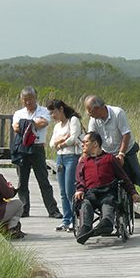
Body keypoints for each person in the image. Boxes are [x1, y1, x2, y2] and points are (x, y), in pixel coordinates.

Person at [74, 132, 140, 245]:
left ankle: (106, 223)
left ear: (95, 144)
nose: (82, 145)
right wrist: (80, 189)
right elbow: (79, 179)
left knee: (108, 202)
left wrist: (133, 192)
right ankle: (85, 228)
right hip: (91, 193)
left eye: (85, 142)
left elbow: (123, 177)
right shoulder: (83, 162)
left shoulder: (109, 159)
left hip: (108, 191)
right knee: (86, 203)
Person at [84, 95, 140, 200]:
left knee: (136, 173)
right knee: (113, 178)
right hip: (108, 152)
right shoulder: (94, 120)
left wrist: (121, 154)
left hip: (126, 149)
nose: (88, 113)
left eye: (89, 110)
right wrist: (86, 154)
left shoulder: (117, 113)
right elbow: (91, 137)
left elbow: (126, 135)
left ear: (97, 108)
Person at [12, 86, 62, 219]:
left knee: (43, 180)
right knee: (22, 181)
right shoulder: (18, 113)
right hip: (22, 148)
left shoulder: (44, 111)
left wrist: (25, 124)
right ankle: (24, 209)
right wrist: (32, 123)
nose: (28, 102)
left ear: (35, 98)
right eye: (25, 100)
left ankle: (53, 210)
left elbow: (43, 123)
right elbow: (16, 127)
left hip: (37, 148)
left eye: (30, 99)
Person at [47, 99, 83, 232]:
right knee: (62, 191)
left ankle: (75, 219)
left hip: (72, 157)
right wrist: (63, 140)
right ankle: (66, 220)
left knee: (70, 190)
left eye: (54, 112)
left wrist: (60, 144)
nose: (52, 116)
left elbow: (73, 138)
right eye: (50, 114)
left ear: (61, 109)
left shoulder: (73, 120)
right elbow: (51, 144)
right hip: (60, 158)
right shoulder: (57, 126)